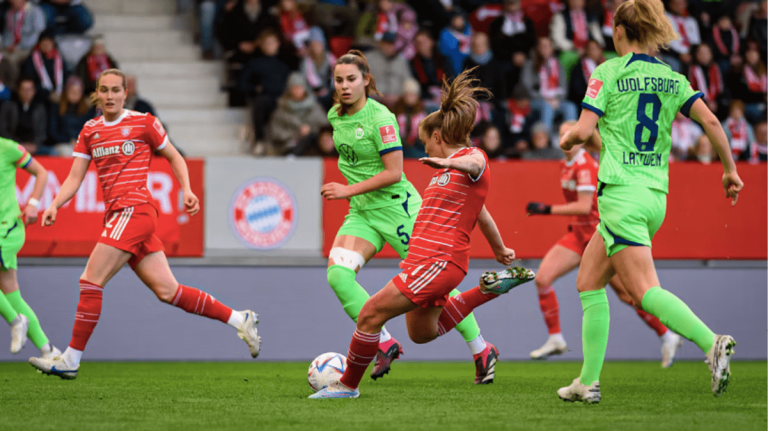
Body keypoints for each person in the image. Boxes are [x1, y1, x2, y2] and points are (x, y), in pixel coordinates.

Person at [557, 0, 743, 404]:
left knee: (644, 291)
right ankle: (587, 382)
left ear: (618, 32)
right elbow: (711, 121)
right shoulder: (672, 78)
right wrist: (729, 170)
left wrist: (568, 137)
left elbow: (584, 129)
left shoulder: (606, 71)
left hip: (621, 194)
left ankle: (711, 343)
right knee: (588, 282)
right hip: (654, 196)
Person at [310, 69, 535, 399]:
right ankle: (487, 291)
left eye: (425, 140)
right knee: (422, 333)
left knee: (371, 313)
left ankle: (347, 386)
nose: (422, 145)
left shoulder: (467, 162)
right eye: (338, 79)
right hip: (408, 249)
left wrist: (454, 165)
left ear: (439, 139)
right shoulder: (442, 178)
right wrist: (500, 249)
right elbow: (482, 214)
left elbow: (475, 162)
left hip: (435, 257)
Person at [28, 69, 261, 380]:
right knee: (169, 291)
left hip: (135, 210)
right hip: (118, 215)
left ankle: (71, 359)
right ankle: (239, 319)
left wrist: (187, 189)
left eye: (116, 90)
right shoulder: (90, 130)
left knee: (90, 280)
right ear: (96, 94)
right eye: (104, 90)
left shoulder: (143, 122)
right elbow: (75, 176)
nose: (110, 96)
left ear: (126, 93)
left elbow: (175, 157)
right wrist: (55, 203)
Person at [526, 121, 682, 366]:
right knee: (543, 278)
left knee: (631, 294)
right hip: (578, 236)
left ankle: (668, 335)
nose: (563, 137)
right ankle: (555, 338)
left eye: (568, 132)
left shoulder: (586, 165)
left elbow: (584, 206)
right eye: (560, 133)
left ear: (579, 137)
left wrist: (546, 209)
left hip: (600, 237)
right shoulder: (564, 165)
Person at [0, 136, 60, 359]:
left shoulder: (8, 148)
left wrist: (33, 203)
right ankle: (49, 351)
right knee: (12, 296)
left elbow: (42, 172)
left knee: (12, 301)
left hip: (6, 229)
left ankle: (16, 321)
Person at [268, 72, 328, 156]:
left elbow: (325, 127)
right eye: (294, 87)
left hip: (314, 146)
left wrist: (310, 129)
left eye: (299, 87)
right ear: (289, 89)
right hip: (289, 147)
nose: (297, 90)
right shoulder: (281, 110)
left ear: (304, 88)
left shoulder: (314, 107)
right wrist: (297, 133)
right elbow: (276, 133)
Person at [48, 76, 95, 156]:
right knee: (68, 152)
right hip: (63, 143)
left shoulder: (87, 109)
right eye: (72, 91)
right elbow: (53, 132)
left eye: (78, 92)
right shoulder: (57, 108)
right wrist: (69, 140)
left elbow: (89, 131)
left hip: (81, 143)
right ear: (66, 91)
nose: (75, 95)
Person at [0, 78, 47, 155]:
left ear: (34, 91)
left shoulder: (40, 108)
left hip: (34, 146)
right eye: (24, 89)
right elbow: (3, 130)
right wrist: (19, 145)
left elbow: (42, 133)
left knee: (52, 151)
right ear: (18, 90)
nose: (27, 92)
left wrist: (34, 145)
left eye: (29, 89)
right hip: (13, 145)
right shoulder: (8, 106)